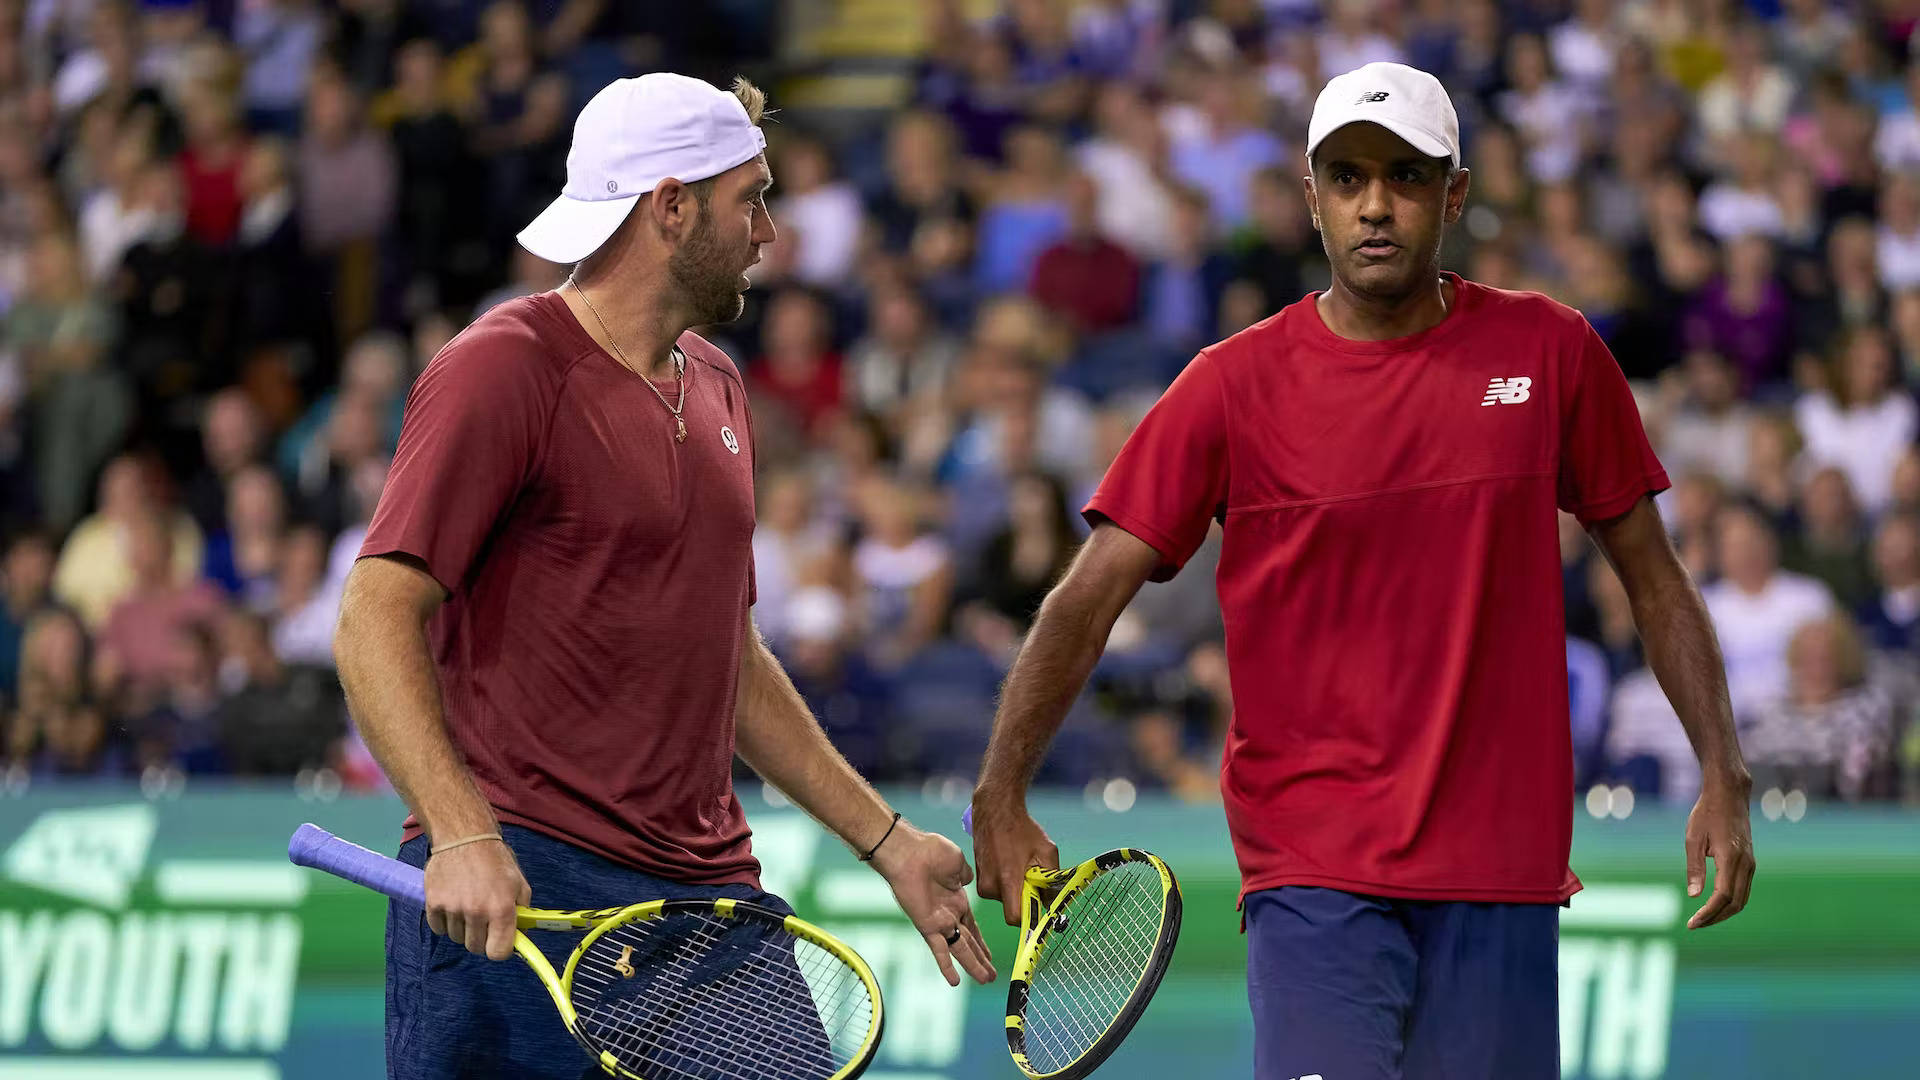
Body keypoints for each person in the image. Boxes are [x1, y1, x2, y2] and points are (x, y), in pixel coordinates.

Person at [968, 63, 1756, 1080]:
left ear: (1455, 193)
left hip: (1501, 877)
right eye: (1346, 178)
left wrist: (1723, 773)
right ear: (1312, 196)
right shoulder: (1228, 386)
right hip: (1314, 877)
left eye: (1406, 177)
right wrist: (1003, 788)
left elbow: (1654, 577)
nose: (1374, 205)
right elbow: (1085, 599)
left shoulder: (1552, 353)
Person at [333, 73, 992, 1080]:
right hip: (520, 880)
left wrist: (890, 841)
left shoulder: (721, 384)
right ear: (671, 207)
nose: (769, 231)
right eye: (751, 199)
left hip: (707, 906)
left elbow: (725, 652)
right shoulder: (501, 366)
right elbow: (374, 613)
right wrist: (462, 833)